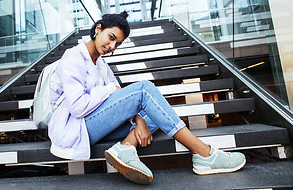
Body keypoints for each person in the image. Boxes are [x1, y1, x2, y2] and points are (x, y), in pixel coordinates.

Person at [48, 12, 246, 184]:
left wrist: (139, 120)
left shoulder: (101, 65)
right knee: (144, 89)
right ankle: (204, 153)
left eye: (117, 43)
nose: (112, 46)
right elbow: (78, 107)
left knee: (157, 113)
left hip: (94, 125)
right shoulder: (72, 57)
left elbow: (121, 99)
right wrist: (108, 89)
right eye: (110, 37)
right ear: (98, 29)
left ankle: (126, 147)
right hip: (75, 127)